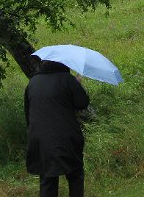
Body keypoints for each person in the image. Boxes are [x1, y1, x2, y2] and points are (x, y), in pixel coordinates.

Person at [25, 57, 91, 197]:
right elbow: (82, 103)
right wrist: (77, 85)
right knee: (75, 173)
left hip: (39, 139)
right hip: (66, 137)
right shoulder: (67, 79)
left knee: (47, 178)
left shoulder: (33, 82)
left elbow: (28, 113)